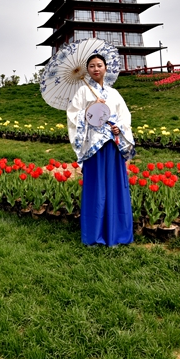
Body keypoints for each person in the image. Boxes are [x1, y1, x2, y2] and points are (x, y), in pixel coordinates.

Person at [67, 54, 136, 246]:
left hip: (113, 145)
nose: (96, 69)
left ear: (105, 68)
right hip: (93, 146)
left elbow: (124, 117)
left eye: (99, 65)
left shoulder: (114, 94)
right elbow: (73, 116)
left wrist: (118, 127)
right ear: (87, 70)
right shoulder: (82, 92)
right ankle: (95, 234)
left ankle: (117, 232)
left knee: (115, 187)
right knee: (96, 187)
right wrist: (90, 109)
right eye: (91, 66)